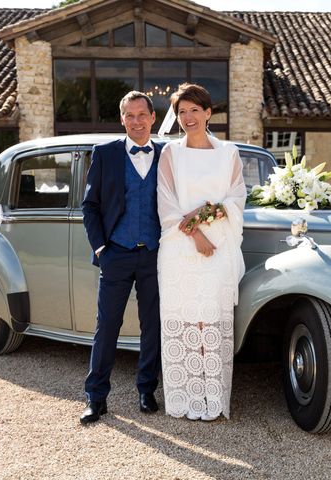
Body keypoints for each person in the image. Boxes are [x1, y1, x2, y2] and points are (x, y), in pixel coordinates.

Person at [157, 83, 246, 421]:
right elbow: (165, 205)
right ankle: (186, 400)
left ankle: (213, 399)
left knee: (210, 320)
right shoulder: (171, 154)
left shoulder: (229, 153)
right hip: (180, 250)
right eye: (182, 111)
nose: (188, 117)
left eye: (195, 110)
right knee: (185, 322)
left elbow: (236, 199)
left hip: (220, 248)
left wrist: (204, 214)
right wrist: (195, 233)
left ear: (208, 113)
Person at [80, 91, 162, 424]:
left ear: (152, 118)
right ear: (122, 119)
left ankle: (146, 390)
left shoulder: (168, 155)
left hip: (155, 255)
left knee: (152, 326)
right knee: (107, 326)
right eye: (130, 115)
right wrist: (101, 248)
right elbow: (90, 205)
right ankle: (95, 398)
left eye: (142, 115)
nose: (137, 121)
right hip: (116, 253)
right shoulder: (106, 154)